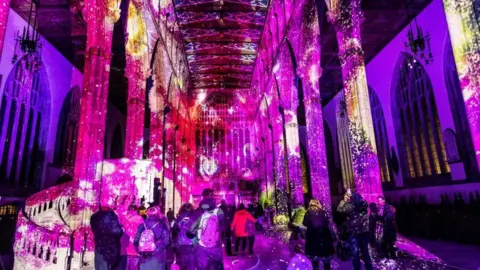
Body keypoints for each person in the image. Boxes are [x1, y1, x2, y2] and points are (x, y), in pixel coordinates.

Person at [188, 188, 224, 269]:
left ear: (203, 197)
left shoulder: (197, 211)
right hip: (216, 244)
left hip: (201, 246)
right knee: (217, 266)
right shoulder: (219, 211)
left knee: (203, 266)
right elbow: (223, 227)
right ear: (213, 196)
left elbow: (191, 231)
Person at [337, 192, 373, 270]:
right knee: (365, 253)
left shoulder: (351, 206)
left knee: (355, 254)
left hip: (354, 234)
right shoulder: (364, 206)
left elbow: (339, 209)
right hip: (364, 233)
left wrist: (344, 200)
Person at [303, 199, 335, 270]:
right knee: (326, 263)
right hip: (324, 240)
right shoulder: (324, 212)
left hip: (313, 241)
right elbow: (328, 224)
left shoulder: (308, 213)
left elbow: (305, 224)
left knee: (315, 264)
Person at [172, 203, 197, 270]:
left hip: (181, 245)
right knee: (191, 265)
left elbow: (174, 232)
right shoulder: (195, 218)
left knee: (182, 265)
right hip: (192, 245)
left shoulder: (178, 218)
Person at [120, 205, 144, 270]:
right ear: (136, 210)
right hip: (135, 245)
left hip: (125, 246)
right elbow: (143, 231)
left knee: (125, 265)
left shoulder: (123, 217)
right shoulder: (139, 218)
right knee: (134, 266)